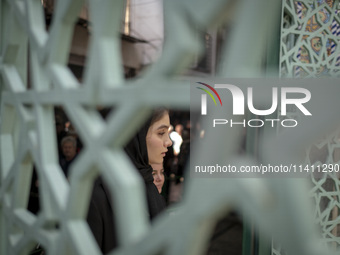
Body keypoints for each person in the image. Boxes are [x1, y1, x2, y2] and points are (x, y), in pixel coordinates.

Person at [87, 108, 172, 254]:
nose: (169, 142)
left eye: (168, 133)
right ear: (134, 135)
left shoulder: (148, 183)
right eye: (161, 133)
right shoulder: (96, 194)